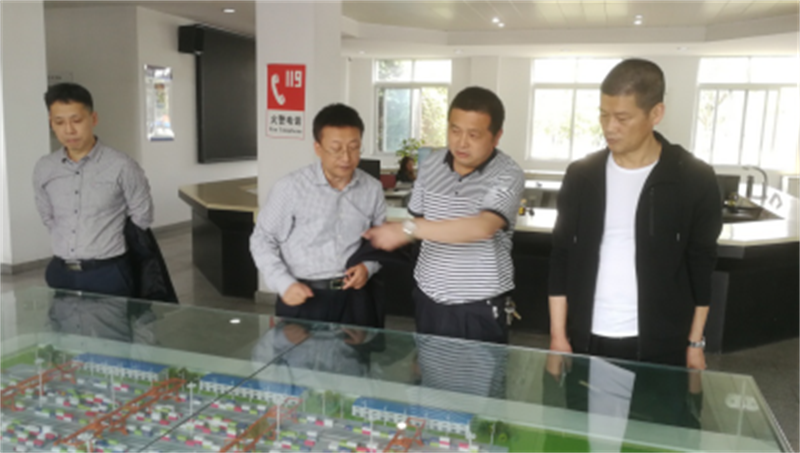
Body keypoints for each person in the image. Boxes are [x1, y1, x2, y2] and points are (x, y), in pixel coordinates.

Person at [548, 58, 722, 369]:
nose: (609, 127)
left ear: (656, 113)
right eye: (604, 115)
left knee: (657, 404)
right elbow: (561, 256)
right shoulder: (582, 175)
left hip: (662, 342)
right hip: (586, 337)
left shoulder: (693, 178)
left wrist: (695, 342)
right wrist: (558, 336)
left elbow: (701, 264)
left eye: (622, 118)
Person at [364, 86, 525, 344]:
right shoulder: (431, 164)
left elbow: (483, 227)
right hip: (429, 297)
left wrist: (406, 229)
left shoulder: (507, 172)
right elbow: (419, 217)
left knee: (477, 371)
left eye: (473, 134)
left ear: (496, 137)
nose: (461, 142)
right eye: (455, 130)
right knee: (430, 368)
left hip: (478, 304)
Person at [250, 103, 386, 325]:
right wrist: (283, 283)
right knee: (296, 349)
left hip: (355, 298)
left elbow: (380, 241)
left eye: (354, 147)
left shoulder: (372, 188)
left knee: (361, 348)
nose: (346, 157)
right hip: (303, 297)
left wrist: (368, 268)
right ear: (318, 148)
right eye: (336, 148)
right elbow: (263, 239)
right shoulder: (290, 188)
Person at [34, 83, 155, 298]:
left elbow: (142, 215)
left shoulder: (121, 165)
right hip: (60, 273)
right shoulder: (45, 167)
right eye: (59, 122)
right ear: (51, 122)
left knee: (113, 321)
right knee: (62, 321)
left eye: (77, 120)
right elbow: (48, 216)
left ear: (93, 118)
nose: (69, 130)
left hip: (108, 272)